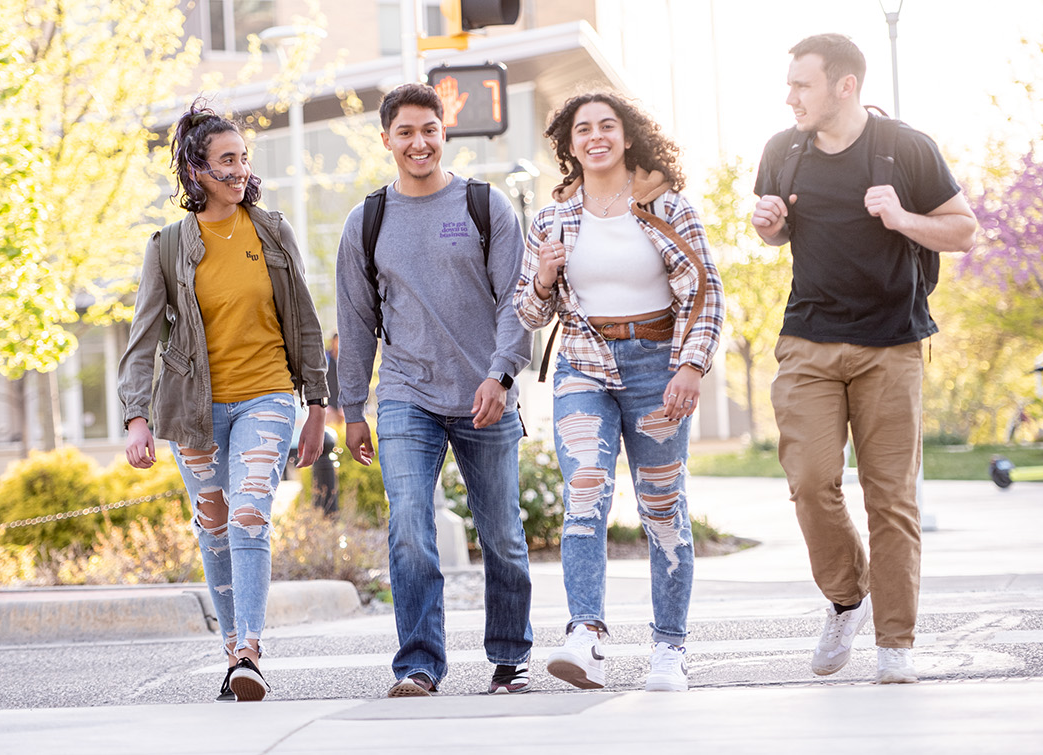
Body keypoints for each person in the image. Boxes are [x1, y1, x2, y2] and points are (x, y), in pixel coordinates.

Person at [750, 33, 977, 684]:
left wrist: (903, 218)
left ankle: (895, 643)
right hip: (808, 338)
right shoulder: (783, 150)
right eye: (790, 84)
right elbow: (776, 234)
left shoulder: (906, 148)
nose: (790, 97)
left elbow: (963, 230)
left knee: (891, 499)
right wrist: (769, 225)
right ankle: (849, 597)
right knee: (810, 479)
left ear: (844, 86)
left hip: (892, 344)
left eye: (803, 85)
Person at [118, 103, 329, 703]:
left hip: (267, 395)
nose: (239, 170)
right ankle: (233, 650)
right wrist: (136, 417)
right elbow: (143, 339)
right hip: (195, 409)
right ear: (196, 171)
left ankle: (250, 651)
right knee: (213, 525)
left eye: (243, 158)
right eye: (226, 160)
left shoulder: (272, 231)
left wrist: (317, 405)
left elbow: (304, 321)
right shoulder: (168, 246)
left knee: (249, 515)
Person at [516, 91, 724, 693]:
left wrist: (691, 366)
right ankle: (585, 635)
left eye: (607, 126)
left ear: (628, 136)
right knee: (584, 491)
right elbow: (529, 314)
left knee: (662, 507)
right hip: (584, 366)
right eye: (583, 129)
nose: (596, 137)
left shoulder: (666, 205)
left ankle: (669, 648)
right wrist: (545, 276)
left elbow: (705, 290)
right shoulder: (552, 218)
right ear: (570, 144)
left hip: (659, 368)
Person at [336, 83, 535, 698]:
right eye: (405, 132)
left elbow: (517, 301)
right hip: (406, 393)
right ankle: (419, 664)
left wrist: (501, 375)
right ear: (386, 139)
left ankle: (510, 655)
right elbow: (355, 320)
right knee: (409, 527)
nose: (418, 143)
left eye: (429, 130)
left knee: (502, 533)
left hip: (486, 394)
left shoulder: (485, 206)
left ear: (443, 132)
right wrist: (352, 407)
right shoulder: (368, 221)